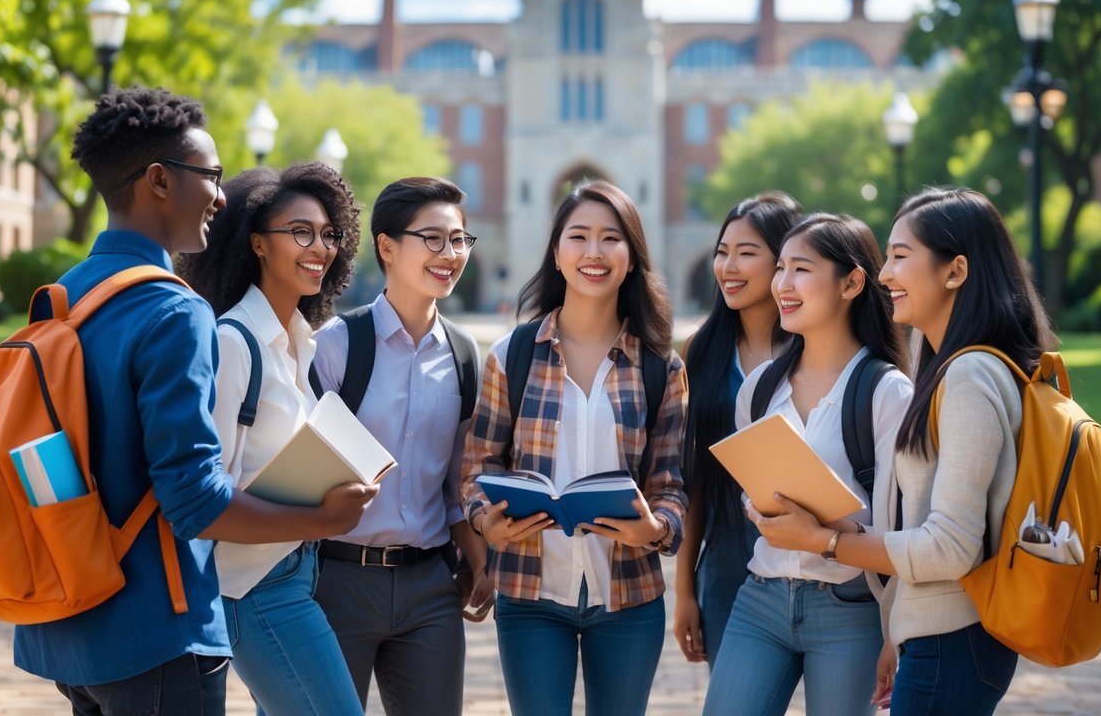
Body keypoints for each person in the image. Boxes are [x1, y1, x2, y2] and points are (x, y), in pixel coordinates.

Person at [12, 87, 375, 716]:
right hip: (158, 626)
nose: (221, 194)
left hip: (69, 618)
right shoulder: (175, 310)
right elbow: (194, 500)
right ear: (158, 180)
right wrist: (321, 520)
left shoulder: (65, 295)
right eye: (209, 175)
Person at [751, 187, 1054, 715]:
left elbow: (950, 548)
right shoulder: (948, 365)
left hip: (952, 640)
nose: (885, 274)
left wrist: (822, 541)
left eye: (899, 256)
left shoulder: (969, 376)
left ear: (955, 271)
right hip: (935, 637)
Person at [461, 179, 688, 716]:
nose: (594, 252)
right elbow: (478, 465)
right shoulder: (511, 355)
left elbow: (671, 483)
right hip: (530, 593)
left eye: (611, 238)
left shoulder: (661, 367)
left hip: (629, 596)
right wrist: (483, 521)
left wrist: (657, 529)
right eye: (578, 236)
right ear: (557, 253)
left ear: (632, 257)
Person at [177, 162, 371, 715]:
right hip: (254, 588)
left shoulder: (299, 345)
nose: (321, 246)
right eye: (301, 231)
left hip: (297, 575)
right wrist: (324, 519)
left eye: (329, 234)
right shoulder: (233, 343)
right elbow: (204, 501)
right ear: (257, 243)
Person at [703, 212, 913, 716]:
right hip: (760, 599)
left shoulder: (887, 393)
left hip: (851, 610)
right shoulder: (759, 390)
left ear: (853, 282)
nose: (782, 284)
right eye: (780, 268)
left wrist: (895, 635)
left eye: (801, 269)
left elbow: (907, 532)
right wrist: (763, 511)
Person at [311, 177, 495, 715]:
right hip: (338, 581)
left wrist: (480, 561)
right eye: (433, 239)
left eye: (460, 240)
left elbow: (457, 483)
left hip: (431, 590)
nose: (450, 254)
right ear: (387, 247)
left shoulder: (464, 355)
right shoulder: (339, 345)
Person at [673, 192, 803, 667]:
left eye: (747, 253)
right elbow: (696, 478)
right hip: (727, 560)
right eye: (722, 252)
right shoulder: (701, 352)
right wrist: (685, 590)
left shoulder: (818, 348)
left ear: (785, 261)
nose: (728, 266)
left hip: (821, 559)